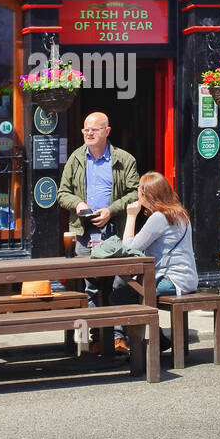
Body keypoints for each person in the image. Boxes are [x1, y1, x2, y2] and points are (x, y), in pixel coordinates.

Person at [57, 111, 140, 351]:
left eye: (94, 129)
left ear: (107, 131)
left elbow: (136, 193)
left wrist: (111, 211)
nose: (89, 133)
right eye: (86, 130)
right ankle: (93, 339)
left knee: (119, 283)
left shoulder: (124, 159)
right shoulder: (75, 159)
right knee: (90, 286)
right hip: (84, 231)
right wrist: (78, 204)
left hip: (114, 230)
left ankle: (117, 337)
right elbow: (62, 193)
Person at [111, 171, 199, 351]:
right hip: (186, 278)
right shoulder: (180, 213)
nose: (138, 196)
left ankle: (130, 343)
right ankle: (155, 340)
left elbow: (131, 247)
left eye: (140, 192)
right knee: (127, 288)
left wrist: (131, 216)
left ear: (149, 195)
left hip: (172, 280)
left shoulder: (160, 218)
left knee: (125, 291)